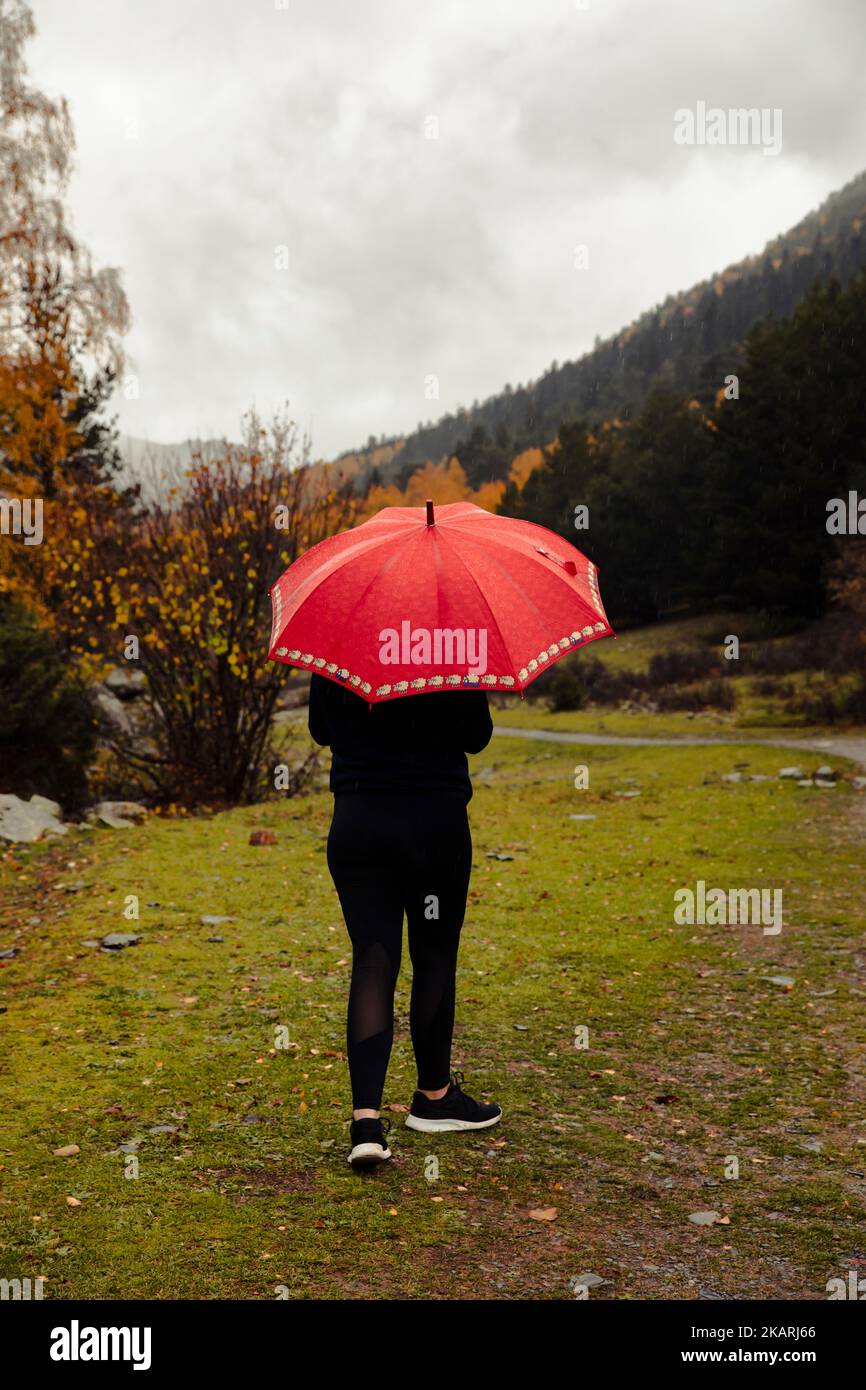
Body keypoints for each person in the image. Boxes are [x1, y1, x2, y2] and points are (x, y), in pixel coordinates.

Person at [308, 671, 502, 1170]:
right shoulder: (453, 642)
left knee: (373, 959)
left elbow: (320, 729)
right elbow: (477, 735)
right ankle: (435, 1098)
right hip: (432, 824)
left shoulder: (340, 636)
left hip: (358, 823)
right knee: (433, 954)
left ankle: (366, 1124)